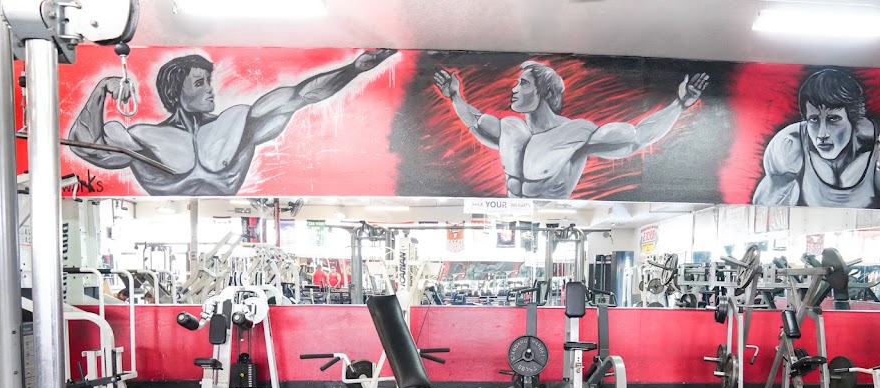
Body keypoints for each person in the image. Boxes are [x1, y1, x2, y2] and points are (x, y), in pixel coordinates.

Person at [68, 49, 396, 196]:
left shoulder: (236, 125)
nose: (210, 91)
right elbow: (86, 147)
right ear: (175, 91)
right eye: (200, 84)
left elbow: (300, 95)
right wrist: (102, 89)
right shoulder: (143, 137)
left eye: (209, 82)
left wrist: (354, 69)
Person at [433, 62, 709, 199]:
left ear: (544, 92)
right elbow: (474, 122)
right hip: (510, 224)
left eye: (523, 83)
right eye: (516, 83)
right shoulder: (510, 128)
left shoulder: (575, 134)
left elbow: (636, 137)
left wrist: (680, 104)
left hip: (557, 225)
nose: (514, 89)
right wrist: (454, 96)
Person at [753, 69, 880, 209]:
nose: (822, 134)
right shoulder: (790, 145)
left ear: (854, 119)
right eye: (814, 120)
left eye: (833, 119)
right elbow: (765, 213)